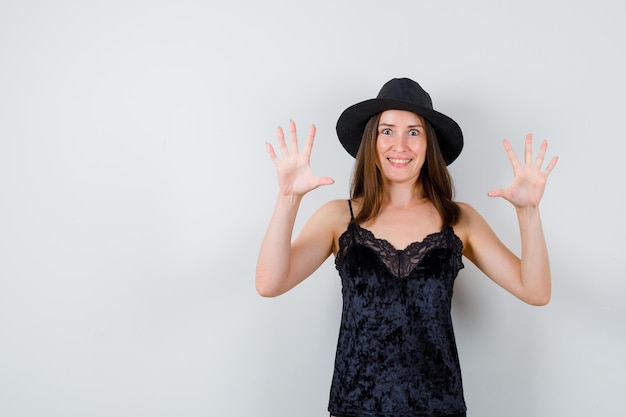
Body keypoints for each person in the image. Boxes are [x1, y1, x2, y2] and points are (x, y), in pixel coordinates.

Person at [255, 78, 558, 417]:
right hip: (355, 407)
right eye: (387, 131)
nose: (400, 145)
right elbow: (270, 283)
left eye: (413, 132)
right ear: (371, 141)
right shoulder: (339, 217)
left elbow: (536, 290)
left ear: (429, 145)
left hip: (439, 408)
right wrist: (287, 200)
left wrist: (529, 212)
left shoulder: (458, 219)